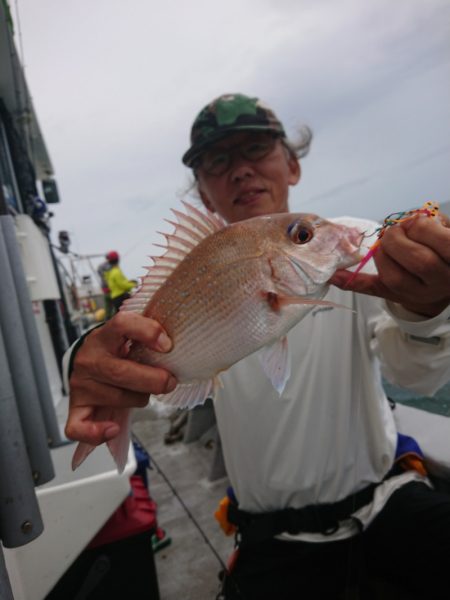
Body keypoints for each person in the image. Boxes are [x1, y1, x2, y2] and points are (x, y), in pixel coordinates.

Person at [64, 93, 450, 598]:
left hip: (387, 504)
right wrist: (84, 358)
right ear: (204, 194)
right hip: (272, 541)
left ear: (292, 166)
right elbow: (119, 334)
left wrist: (429, 312)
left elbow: (414, 376)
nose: (241, 171)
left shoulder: (350, 240)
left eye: (256, 149)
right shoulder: (182, 279)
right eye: (218, 162)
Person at [103, 250, 136, 314]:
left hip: (115, 297)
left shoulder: (110, 273)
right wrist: (134, 284)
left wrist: (129, 283)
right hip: (121, 297)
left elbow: (118, 283)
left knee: (120, 315)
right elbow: (122, 285)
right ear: (118, 260)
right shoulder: (116, 272)